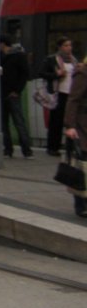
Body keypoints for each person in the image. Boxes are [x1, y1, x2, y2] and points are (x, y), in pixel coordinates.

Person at [61, 54, 87, 218]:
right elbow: (73, 100)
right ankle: (81, 204)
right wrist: (70, 126)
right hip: (82, 126)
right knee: (82, 165)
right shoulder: (83, 73)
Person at [40, 37, 76, 157]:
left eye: (70, 45)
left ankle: (71, 147)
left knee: (70, 121)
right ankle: (53, 147)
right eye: (66, 45)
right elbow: (42, 73)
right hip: (57, 93)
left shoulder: (73, 60)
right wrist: (57, 74)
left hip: (71, 94)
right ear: (60, 47)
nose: (68, 48)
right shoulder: (52, 59)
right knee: (56, 121)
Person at [0, 34, 33, 158]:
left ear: (2, 44)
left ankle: (26, 149)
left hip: (12, 94)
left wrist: (17, 90)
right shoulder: (0, 57)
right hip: (2, 94)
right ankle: (8, 149)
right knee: (4, 123)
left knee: (18, 121)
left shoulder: (18, 55)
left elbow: (24, 74)